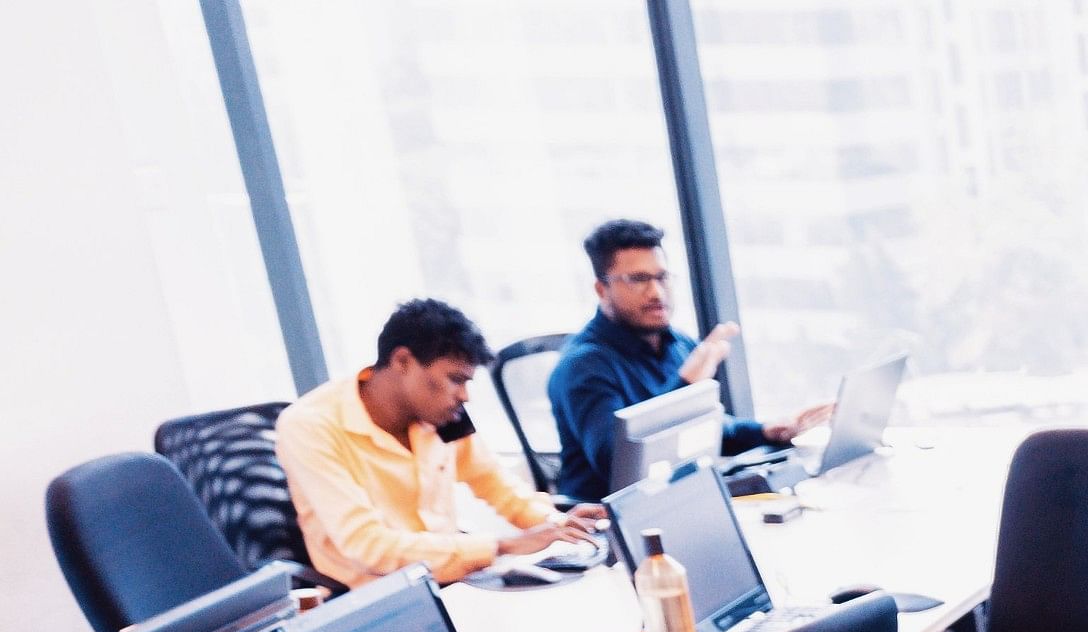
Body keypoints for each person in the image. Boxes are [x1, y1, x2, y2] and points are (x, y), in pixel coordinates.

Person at [274, 298, 596, 589]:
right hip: (378, 599)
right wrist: (503, 546)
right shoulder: (310, 426)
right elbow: (367, 545)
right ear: (403, 362)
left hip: (452, 580)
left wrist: (557, 525)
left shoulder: (442, 415)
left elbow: (496, 485)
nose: (464, 396)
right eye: (455, 379)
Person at [543, 216, 828, 504]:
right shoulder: (582, 366)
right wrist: (685, 385)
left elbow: (704, 429)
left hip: (681, 498)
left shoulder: (677, 343)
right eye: (638, 279)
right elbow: (620, 468)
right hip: (613, 521)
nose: (656, 292)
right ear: (601, 289)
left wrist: (767, 431)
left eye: (662, 277)